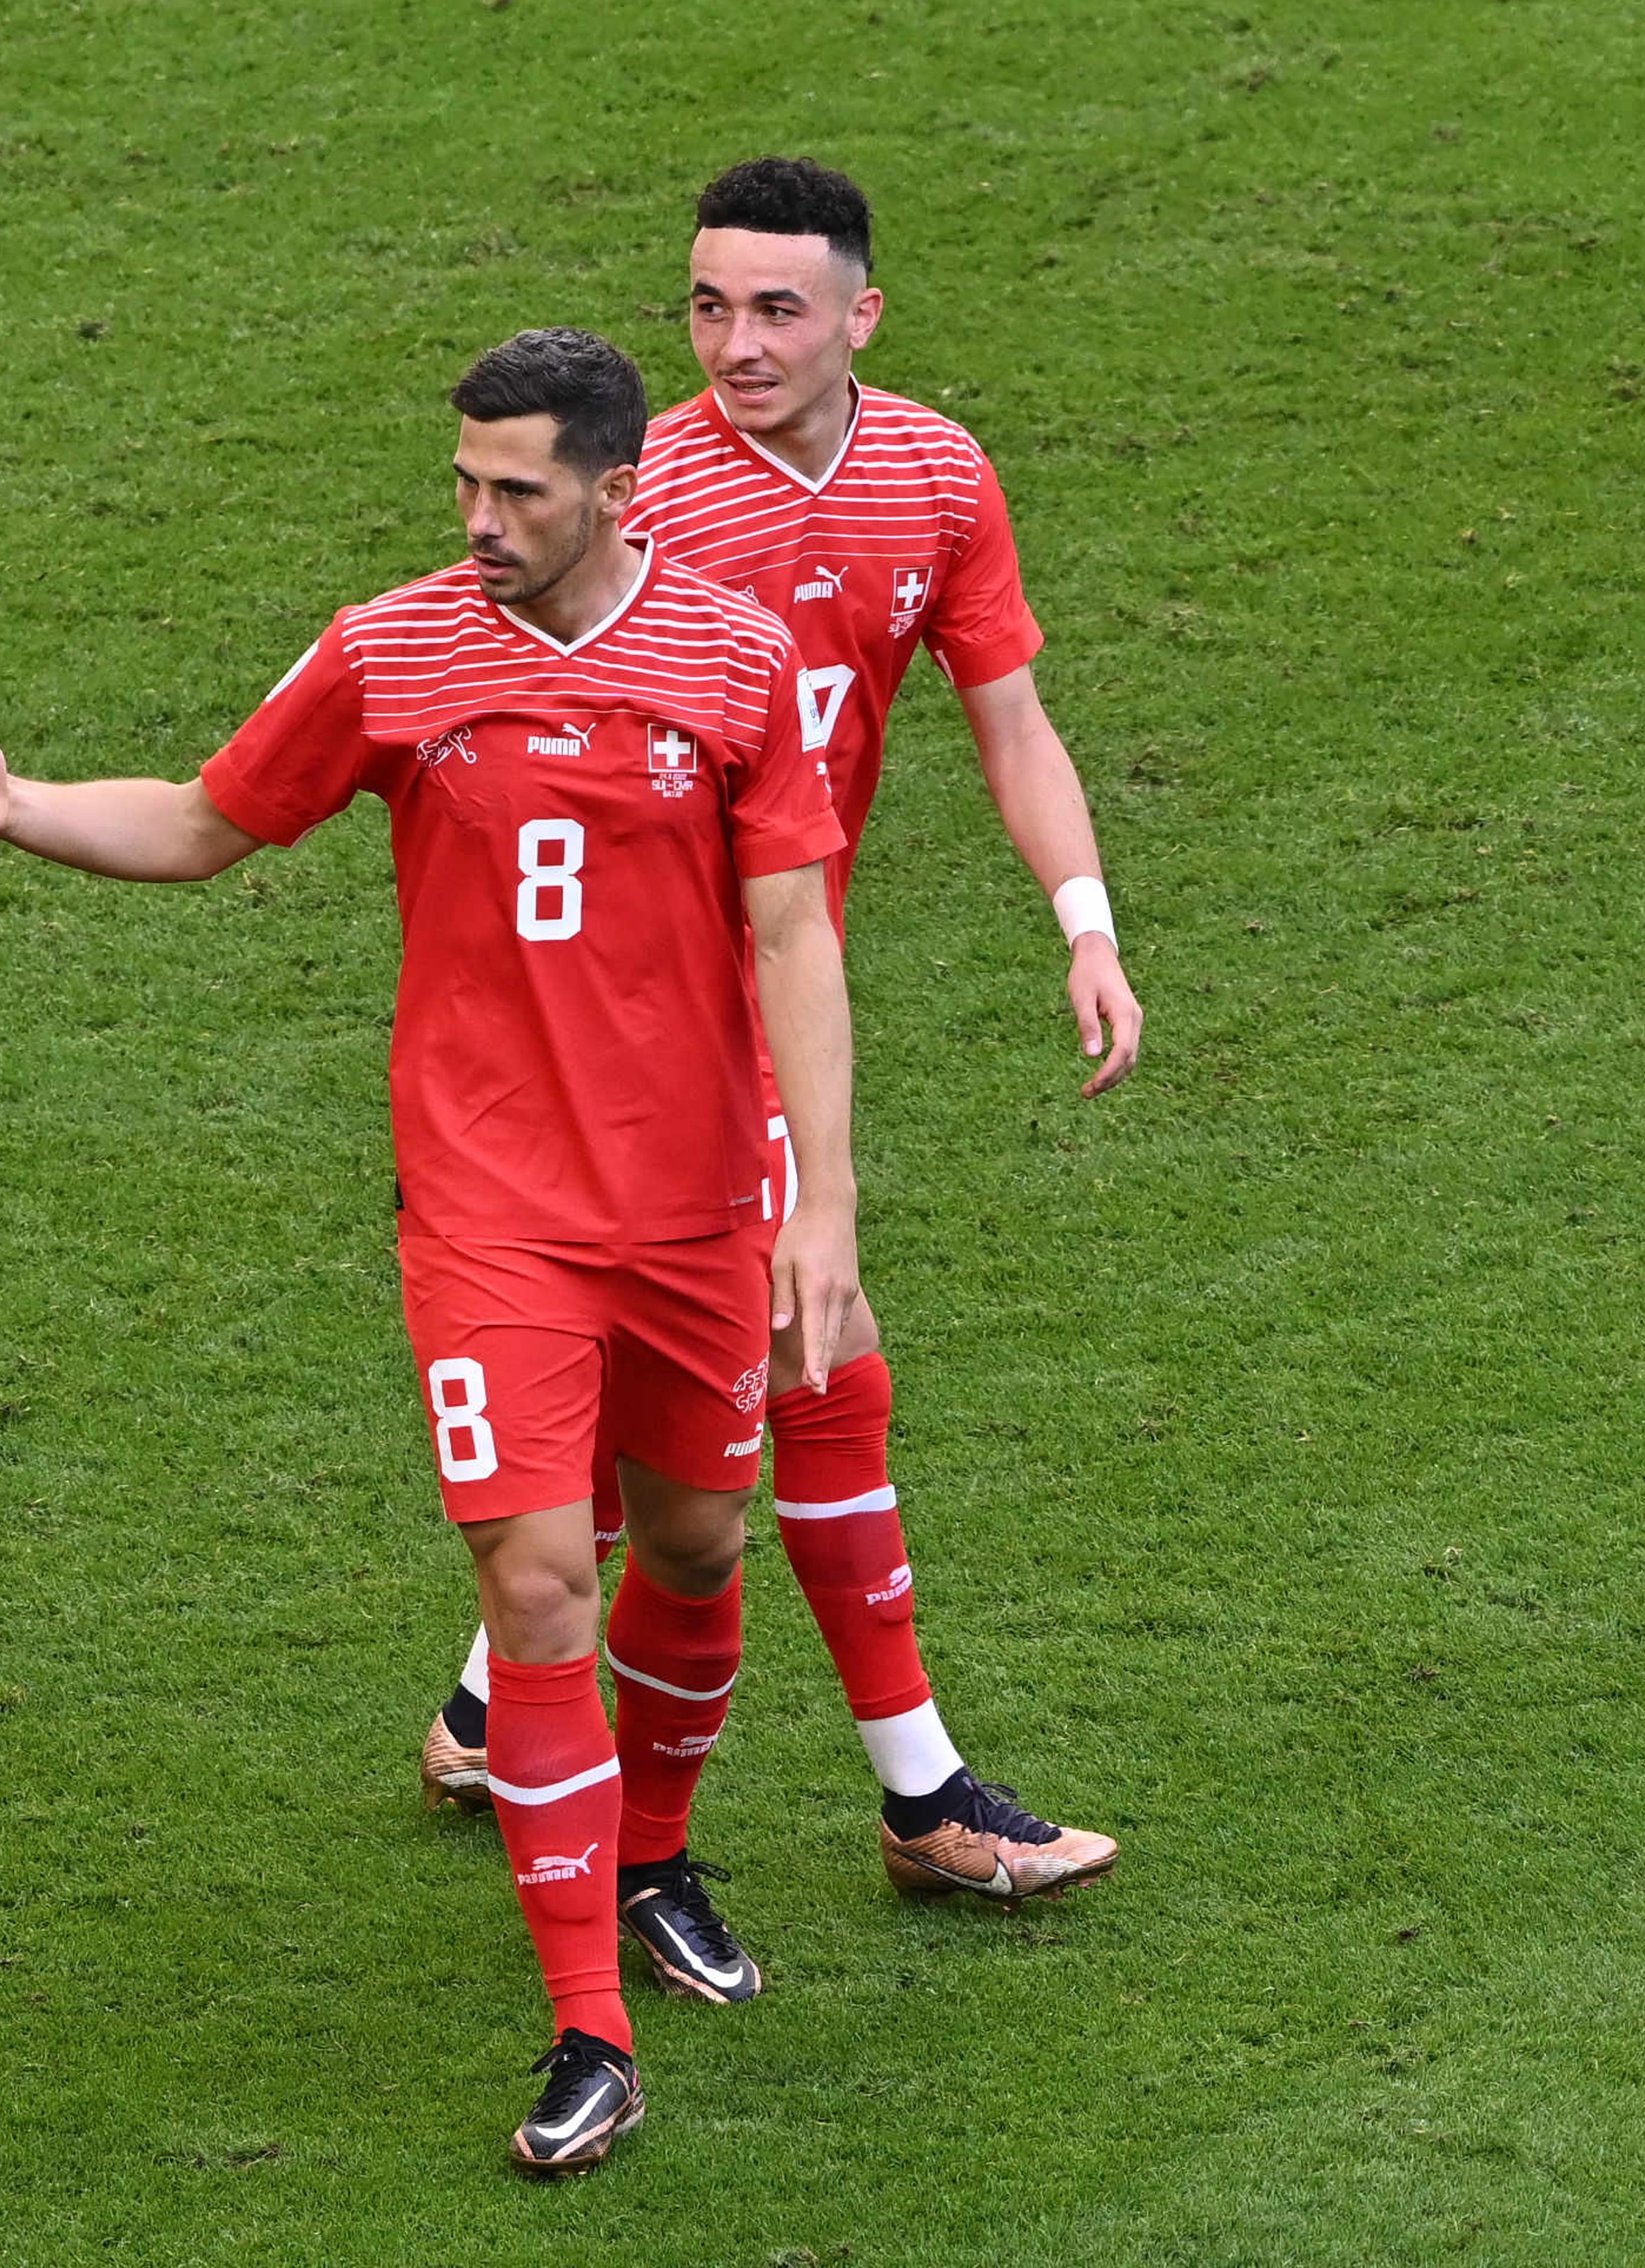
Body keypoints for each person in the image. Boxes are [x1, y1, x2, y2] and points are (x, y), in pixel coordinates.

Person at [0, 329, 859, 2177]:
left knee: (693, 1542)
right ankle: (587, 2028)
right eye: (465, 486)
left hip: (690, 1219)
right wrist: (22, 812)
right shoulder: (391, 651)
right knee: (537, 1592)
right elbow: (205, 819)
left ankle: (654, 1855)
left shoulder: (737, 662)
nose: (480, 522)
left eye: (519, 492)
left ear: (616, 489)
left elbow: (796, 934)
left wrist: (819, 1204)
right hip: (492, 1217)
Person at [417, 158, 1131, 1986]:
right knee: (815, 1370)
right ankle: (915, 1801)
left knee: (747, 1395)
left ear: (861, 319)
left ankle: (502, 1709)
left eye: (778, 309)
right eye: (709, 309)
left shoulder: (936, 477)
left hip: (762, 996)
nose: (737, 345)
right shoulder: (634, 506)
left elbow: (1011, 711)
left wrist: (1086, 917)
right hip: (642, 1029)